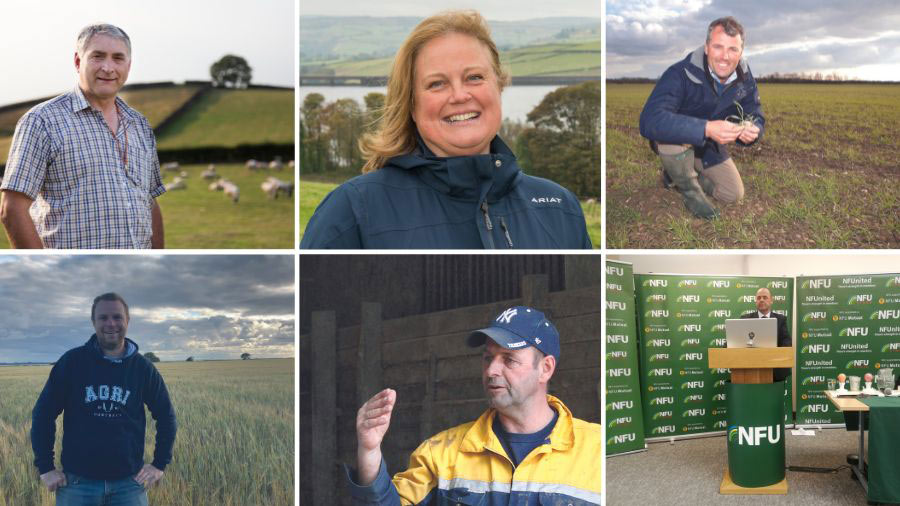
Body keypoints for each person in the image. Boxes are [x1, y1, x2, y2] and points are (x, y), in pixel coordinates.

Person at [301, 10, 591, 249]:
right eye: (437, 83)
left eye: (474, 77)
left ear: (498, 86)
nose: (459, 95)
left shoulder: (560, 207)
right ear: (412, 105)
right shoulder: (353, 210)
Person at [346, 306, 602, 505]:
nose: (491, 370)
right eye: (488, 358)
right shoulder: (441, 454)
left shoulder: (596, 449)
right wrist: (369, 453)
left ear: (545, 368)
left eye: (509, 359)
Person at [1, 24, 165, 248]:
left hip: (135, 275)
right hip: (72, 275)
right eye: (98, 57)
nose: (108, 68)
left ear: (128, 65)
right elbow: (12, 209)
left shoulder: (140, 125)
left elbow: (150, 202)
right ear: (78, 62)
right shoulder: (42, 121)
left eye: (118, 58)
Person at [31, 293, 177, 505]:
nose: (111, 323)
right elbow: (43, 414)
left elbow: (166, 416)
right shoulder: (72, 362)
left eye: (117, 317)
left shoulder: (143, 368)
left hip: (129, 484)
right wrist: (45, 467)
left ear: (128, 321)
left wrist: (159, 464)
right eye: (103, 317)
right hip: (77, 485)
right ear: (93, 322)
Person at [639, 16, 765, 220]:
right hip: (676, 140)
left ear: (741, 52)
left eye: (733, 49)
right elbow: (649, 120)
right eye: (718, 47)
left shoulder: (744, 76)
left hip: (708, 145)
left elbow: (755, 112)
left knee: (732, 194)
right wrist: (706, 128)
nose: (725, 56)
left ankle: (675, 176)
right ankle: (689, 191)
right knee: (671, 140)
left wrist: (754, 129)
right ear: (706, 47)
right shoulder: (680, 73)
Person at [741, 287, 791, 381]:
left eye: (765, 297)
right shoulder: (745, 319)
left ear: (771, 300)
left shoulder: (780, 319)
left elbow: (787, 342)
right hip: (750, 370)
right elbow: (736, 339)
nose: (762, 300)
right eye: (759, 298)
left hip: (775, 372)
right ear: (756, 301)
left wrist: (774, 355)